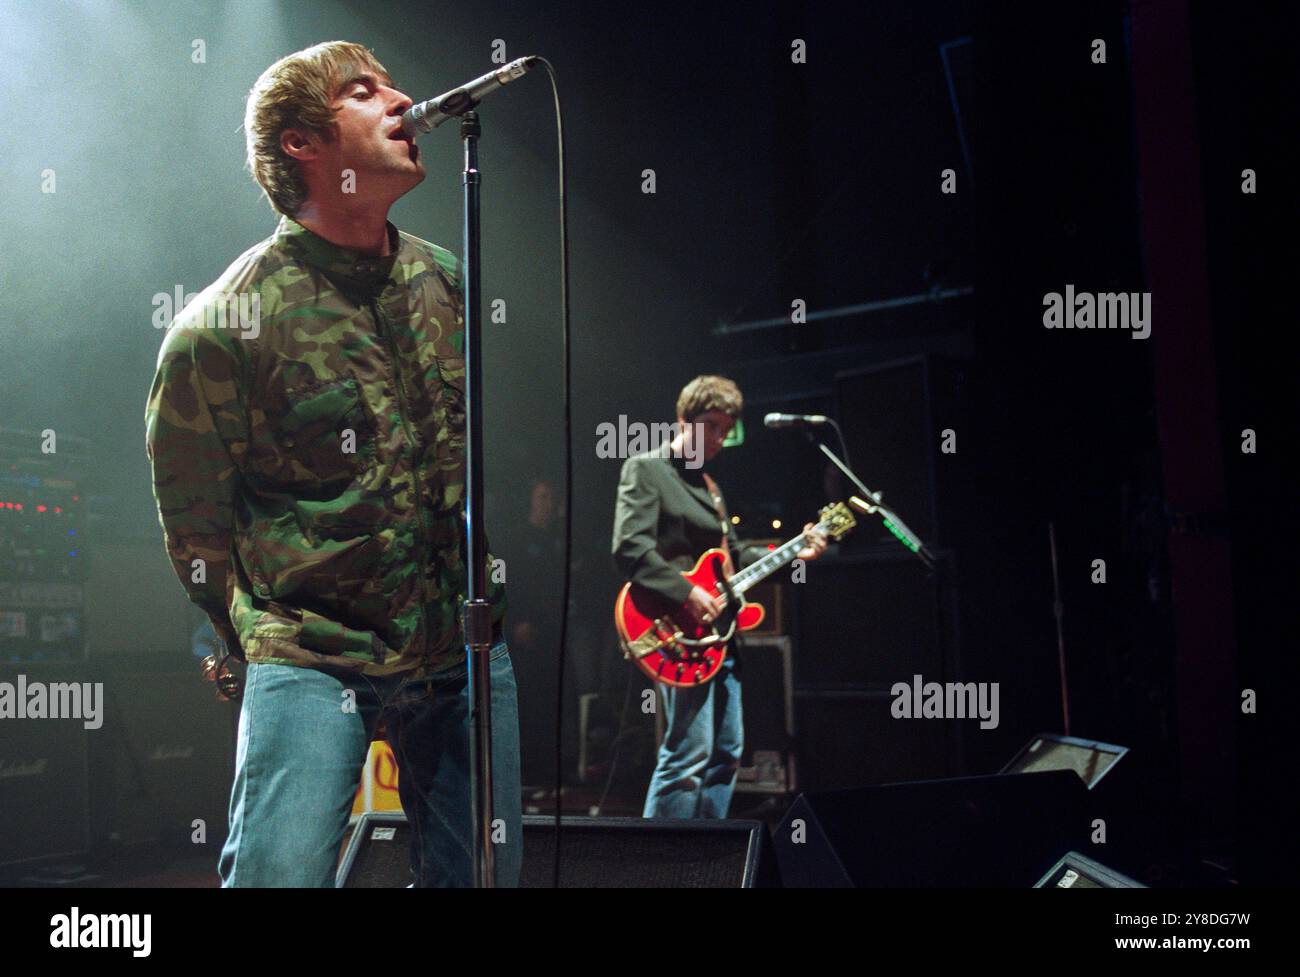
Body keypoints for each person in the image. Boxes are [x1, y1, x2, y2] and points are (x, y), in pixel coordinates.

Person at [144, 41, 520, 887]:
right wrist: (246, 635)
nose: (403, 99)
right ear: (301, 145)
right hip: (312, 655)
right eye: (364, 91)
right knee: (278, 874)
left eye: (393, 81)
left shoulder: (446, 279)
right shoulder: (218, 325)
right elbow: (194, 523)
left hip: (460, 650)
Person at [611, 375, 827, 818]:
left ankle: (708, 860)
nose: (717, 440)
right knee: (687, 755)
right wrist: (688, 592)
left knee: (727, 754)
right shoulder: (646, 469)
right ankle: (662, 864)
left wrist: (793, 549)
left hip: (721, 636)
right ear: (683, 418)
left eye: (725, 432)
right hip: (676, 629)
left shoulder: (711, 488)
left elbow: (733, 557)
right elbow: (630, 547)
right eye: (710, 426)